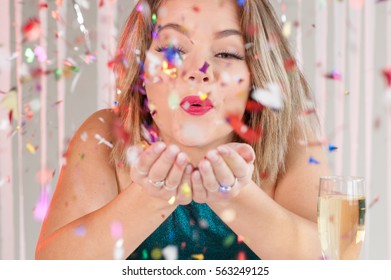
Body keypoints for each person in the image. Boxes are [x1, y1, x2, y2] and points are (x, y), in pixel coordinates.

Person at [35, 0, 330, 260]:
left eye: (227, 54)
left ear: (257, 74)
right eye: (173, 49)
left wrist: (237, 198)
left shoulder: (295, 137)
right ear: (141, 69)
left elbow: (333, 261)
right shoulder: (106, 136)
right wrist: (152, 196)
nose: (198, 70)